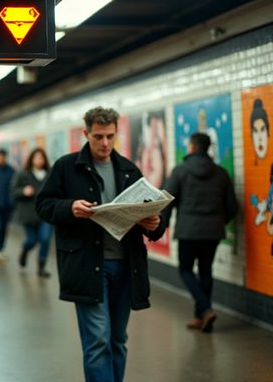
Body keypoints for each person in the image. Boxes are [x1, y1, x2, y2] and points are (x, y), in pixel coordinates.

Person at [36, 106, 165, 382]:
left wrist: (154, 224)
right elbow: (43, 206)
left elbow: (152, 214)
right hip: (87, 266)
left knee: (117, 340)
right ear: (86, 134)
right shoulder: (66, 168)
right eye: (98, 137)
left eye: (110, 136)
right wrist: (69, 207)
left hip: (125, 266)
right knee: (97, 342)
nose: (105, 143)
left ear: (117, 133)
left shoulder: (129, 170)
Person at [162, 133, 238, 333]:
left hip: (188, 231)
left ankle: (205, 309)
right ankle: (200, 316)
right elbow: (232, 206)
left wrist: (163, 224)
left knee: (185, 269)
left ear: (193, 147)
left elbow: (167, 200)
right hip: (213, 232)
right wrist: (219, 222)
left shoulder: (180, 171)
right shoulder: (221, 173)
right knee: (206, 271)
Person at [11, 147, 53, 278]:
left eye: (41, 158)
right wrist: (23, 191)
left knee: (45, 239)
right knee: (31, 240)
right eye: (36, 158)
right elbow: (13, 191)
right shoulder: (22, 174)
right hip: (28, 214)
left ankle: (41, 267)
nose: (39, 160)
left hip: (46, 214)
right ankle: (24, 251)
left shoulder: (50, 173)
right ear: (31, 159)